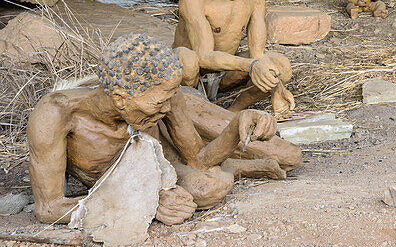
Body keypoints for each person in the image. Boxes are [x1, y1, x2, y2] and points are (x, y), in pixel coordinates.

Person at [27, 34, 299, 225]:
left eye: (171, 98)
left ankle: (238, 164)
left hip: (175, 145)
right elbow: (49, 208)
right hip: (160, 169)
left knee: (290, 156)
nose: (168, 110)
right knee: (206, 187)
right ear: (120, 97)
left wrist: (239, 123)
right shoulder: (57, 114)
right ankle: (240, 167)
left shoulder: (168, 99)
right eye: (159, 103)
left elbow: (199, 159)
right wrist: (146, 204)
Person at [174, 0, 294, 116]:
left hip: (226, 72)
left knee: (281, 65)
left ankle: (233, 112)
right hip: (191, 74)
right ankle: (192, 111)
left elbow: (258, 55)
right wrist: (252, 66)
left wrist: (276, 89)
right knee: (187, 60)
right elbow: (203, 56)